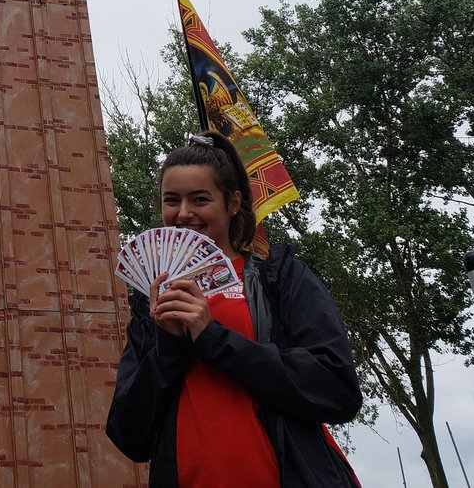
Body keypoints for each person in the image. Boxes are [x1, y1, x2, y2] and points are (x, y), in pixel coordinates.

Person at [106, 131, 362, 487]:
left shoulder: (279, 276)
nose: (183, 214)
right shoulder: (151, 303)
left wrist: (214, 338)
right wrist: (168, 346)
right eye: (171, 200)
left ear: (234, 202)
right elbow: (130, 436)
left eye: (200, 199)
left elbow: (337, 389)